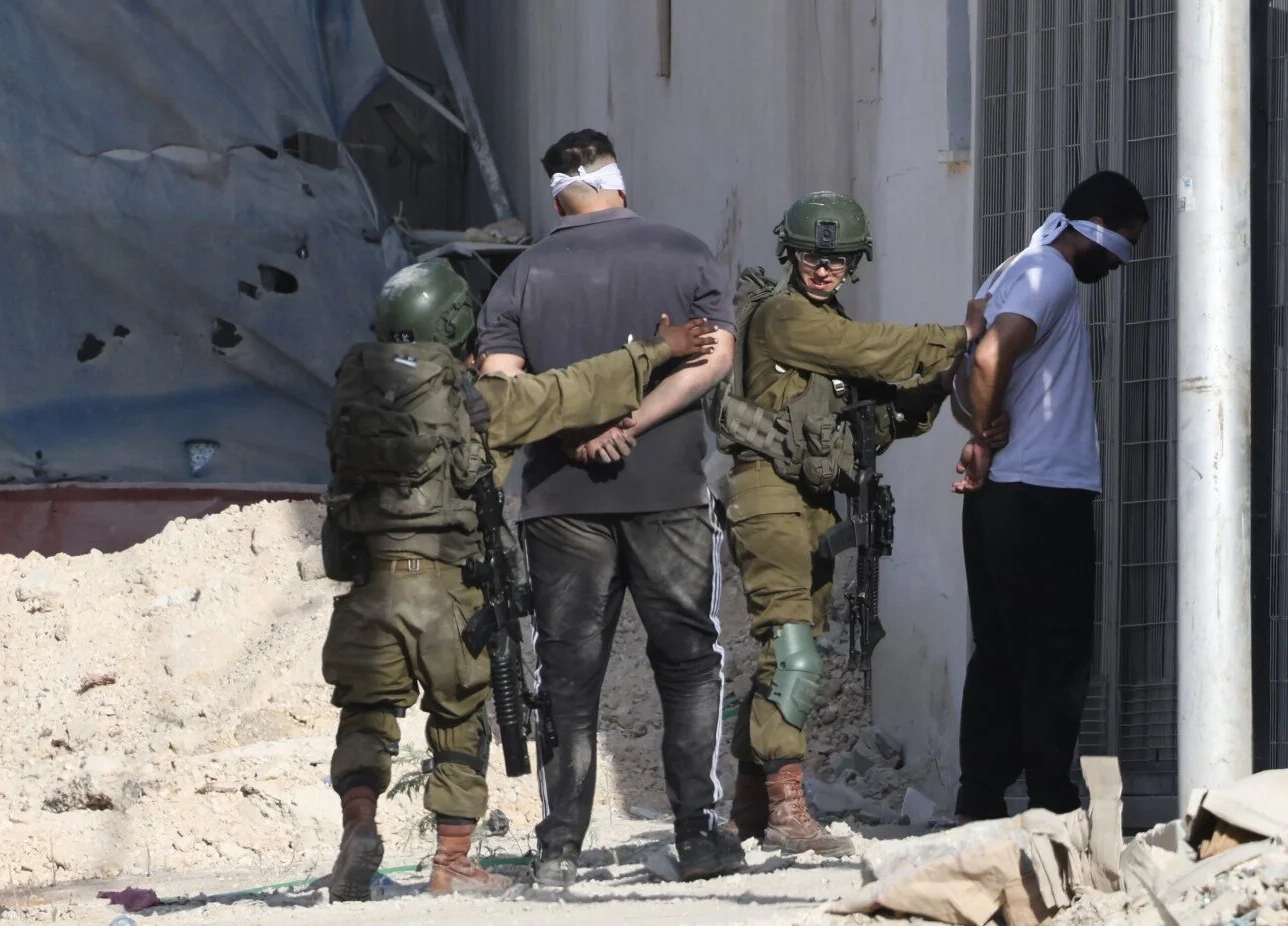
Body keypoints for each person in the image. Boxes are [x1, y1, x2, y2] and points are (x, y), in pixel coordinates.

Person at [322, 257, 715, 900]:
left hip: (369, 589)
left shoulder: (353, 395)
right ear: (454, 324)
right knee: (460, 718)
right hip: (447, 591)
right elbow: (577, 389)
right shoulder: (478, 403)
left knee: (366, 716)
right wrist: (657, 349)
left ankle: (358, 826)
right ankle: (452, 863)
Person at [477, 128, 743, 885]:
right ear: (618, 183)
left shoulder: (519, 276)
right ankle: (697, 834)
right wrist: (632, 423)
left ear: (556, 193)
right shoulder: (683, 253)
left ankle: (560, 848)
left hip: (558, 498)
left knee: (566, 672)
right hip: (668, 491)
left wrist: (577, 432)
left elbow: (501, 388)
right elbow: (715, 356)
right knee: (690, 662)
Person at [713, 192, 986, 856]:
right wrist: (962, 337)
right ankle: (785, 812)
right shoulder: (785, 317)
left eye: (836, 259)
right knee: (794, 653)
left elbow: (881, 414)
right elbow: (872, 351)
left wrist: (935, 379)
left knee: (788, 651)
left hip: (807, 500)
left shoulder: (822, 324)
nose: (822, 269)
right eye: (811, 255)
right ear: (789, 253)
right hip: (768, 496)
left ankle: (750, 807)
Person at [949, 170, 1148, 821]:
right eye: (1124, 244)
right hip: (1041, 495)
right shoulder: (1049, 274)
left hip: (1001, 498)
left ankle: (979, 797)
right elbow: (985, 362)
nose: (1122, 263)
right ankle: (1050, 800)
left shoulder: (1010, 268)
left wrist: (980, 434)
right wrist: (983, 433)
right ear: (1097, 229)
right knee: (1054, 650)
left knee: (1002, 648)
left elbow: (969, 355)